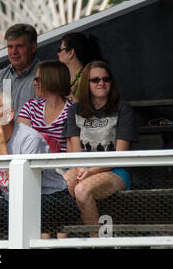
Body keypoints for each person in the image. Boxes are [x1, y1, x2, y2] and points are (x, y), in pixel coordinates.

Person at [0, 89, 79, 238]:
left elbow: (24, 187)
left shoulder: (29, 138)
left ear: (9, 115)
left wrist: (1, 148)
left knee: (24, 206)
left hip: (52, 200)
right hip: (15, 203)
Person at [62, 60, 138, 236]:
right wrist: (82, 169)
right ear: (86, 84)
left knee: (81, 190)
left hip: (115, 170)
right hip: (81, 167)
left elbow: (120, 156)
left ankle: (97, 242)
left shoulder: (123, 109)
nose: (101, 83)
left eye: (106, 79)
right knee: (59, 185)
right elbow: (74, 149)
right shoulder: (74, 110)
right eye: (95, 80)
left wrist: (91, 171)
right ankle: (56, 241)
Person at [0, 23, 40, 118]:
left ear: (33, 47)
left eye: (19, 46)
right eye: (10, 47)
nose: (14, 52)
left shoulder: (47, 76)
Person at [17, 60, 73, 153]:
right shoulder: (31, 106)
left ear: (53, 80)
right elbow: (19, 141)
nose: (35, 83)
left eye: (38, 80)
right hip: (32, 163)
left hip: (61, 165)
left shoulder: (72, 110)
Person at [57, 32, 102, 101]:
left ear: (70, 53)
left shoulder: (88, 78)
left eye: (60, 50)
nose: (58, 53)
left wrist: (70, 96)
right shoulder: (65, 79)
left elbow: (91, 109)